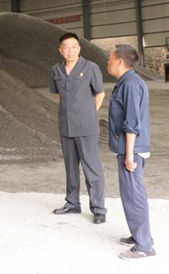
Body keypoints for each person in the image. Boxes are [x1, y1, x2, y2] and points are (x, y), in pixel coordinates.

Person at [49, 32, 107, 224]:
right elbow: (60, 95)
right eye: (66, 47)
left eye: (74, 47)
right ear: (60, 50)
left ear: (79, 49)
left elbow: (100, 94)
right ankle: (72, 203)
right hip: (66, 126)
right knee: (71, 167)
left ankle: (98, 209)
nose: (70, 51)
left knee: (92, 168)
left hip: (87, 127)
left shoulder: (91, 68)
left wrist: (88, 114)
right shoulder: (56, 70)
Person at [107, 44, 156, 260]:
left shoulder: (130, 84)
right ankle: (139, 235)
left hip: (132, 149)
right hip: (130, 147)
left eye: (110, 59)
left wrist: (129, 154)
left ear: (119, 61)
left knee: (134, 195)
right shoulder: (127, 82)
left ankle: (144, 246)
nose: (107, 62)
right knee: (131, 193)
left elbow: (132, 122)